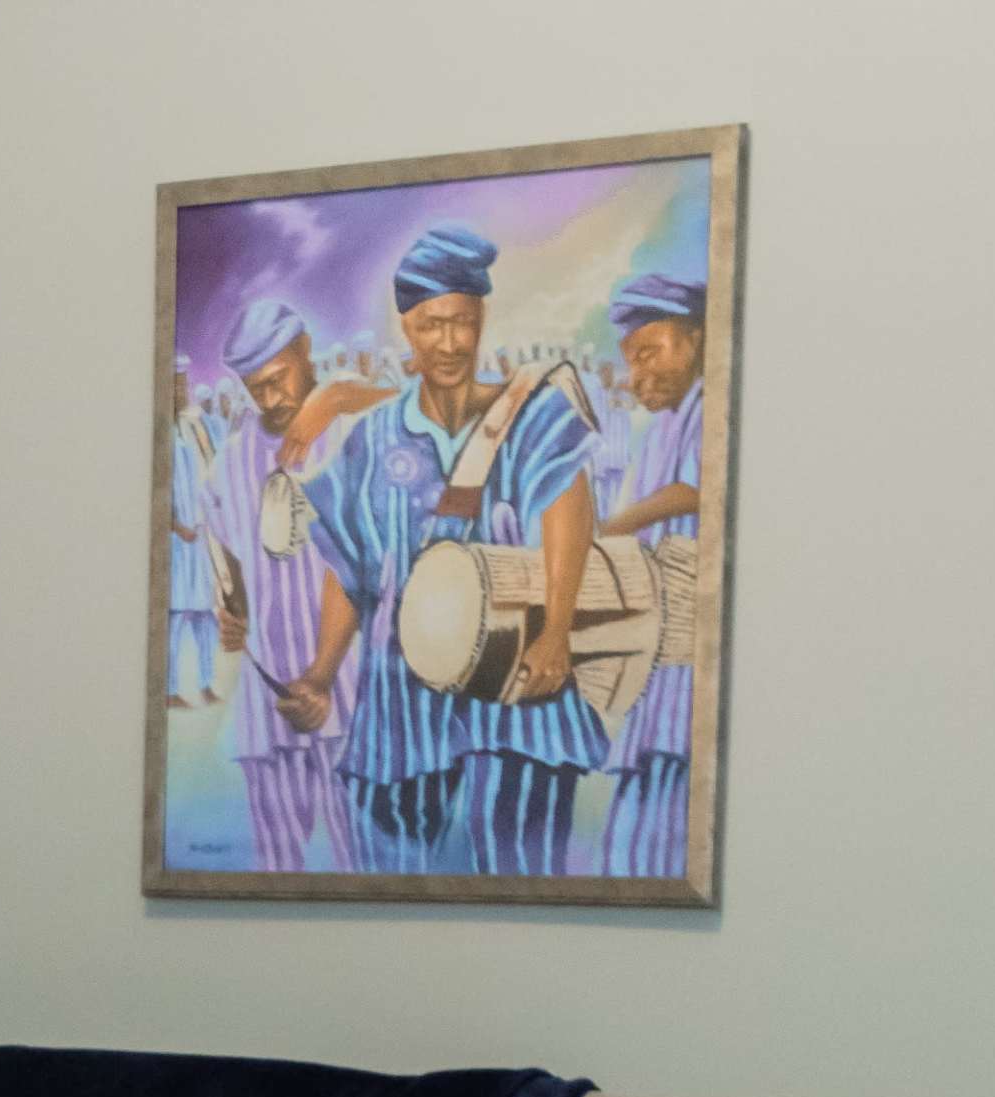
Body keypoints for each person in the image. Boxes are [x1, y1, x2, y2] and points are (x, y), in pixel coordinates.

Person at [284, 223, 608, 873]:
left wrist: (557, 631)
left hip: (515, 697)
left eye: (462, 321)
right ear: (406, 327)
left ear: (482, 315)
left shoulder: (531, 415)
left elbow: (567, 505)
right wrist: (321, 672)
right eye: (432, 325)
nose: (451, 341)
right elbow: (347, 568)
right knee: (389, 874)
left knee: (522, 875)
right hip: (400, 707)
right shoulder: (371, 439)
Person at [190, 296, 375, 871]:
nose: (270, 399)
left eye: (278, 380)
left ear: (303, 352)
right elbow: (230, 564)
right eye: (255, 388)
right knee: (274, 869)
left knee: (364, 864)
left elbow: (436, 409)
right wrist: (233, 611)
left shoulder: (354, 431)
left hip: (352, 692)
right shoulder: (228, 464)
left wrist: (339, 396)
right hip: (267, 703)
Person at [597, 271, 707, 878]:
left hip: (688, 652)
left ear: (695, 340)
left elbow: (695, 489)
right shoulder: (660, 428)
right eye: (631, 362)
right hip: (658, 651)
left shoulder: (707, 409)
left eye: (651, 354)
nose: (639, 377)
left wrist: (614, 526)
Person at [162, 364, 221, 708]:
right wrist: (173, 524)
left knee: (205, 616)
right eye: (175, 388)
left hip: (198, 538)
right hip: (175, 540)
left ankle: (206, 682)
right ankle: (169, 690)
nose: (180, 394)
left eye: (184, 388)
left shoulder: (191, 427)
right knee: (177, 617)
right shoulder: (161, 433)